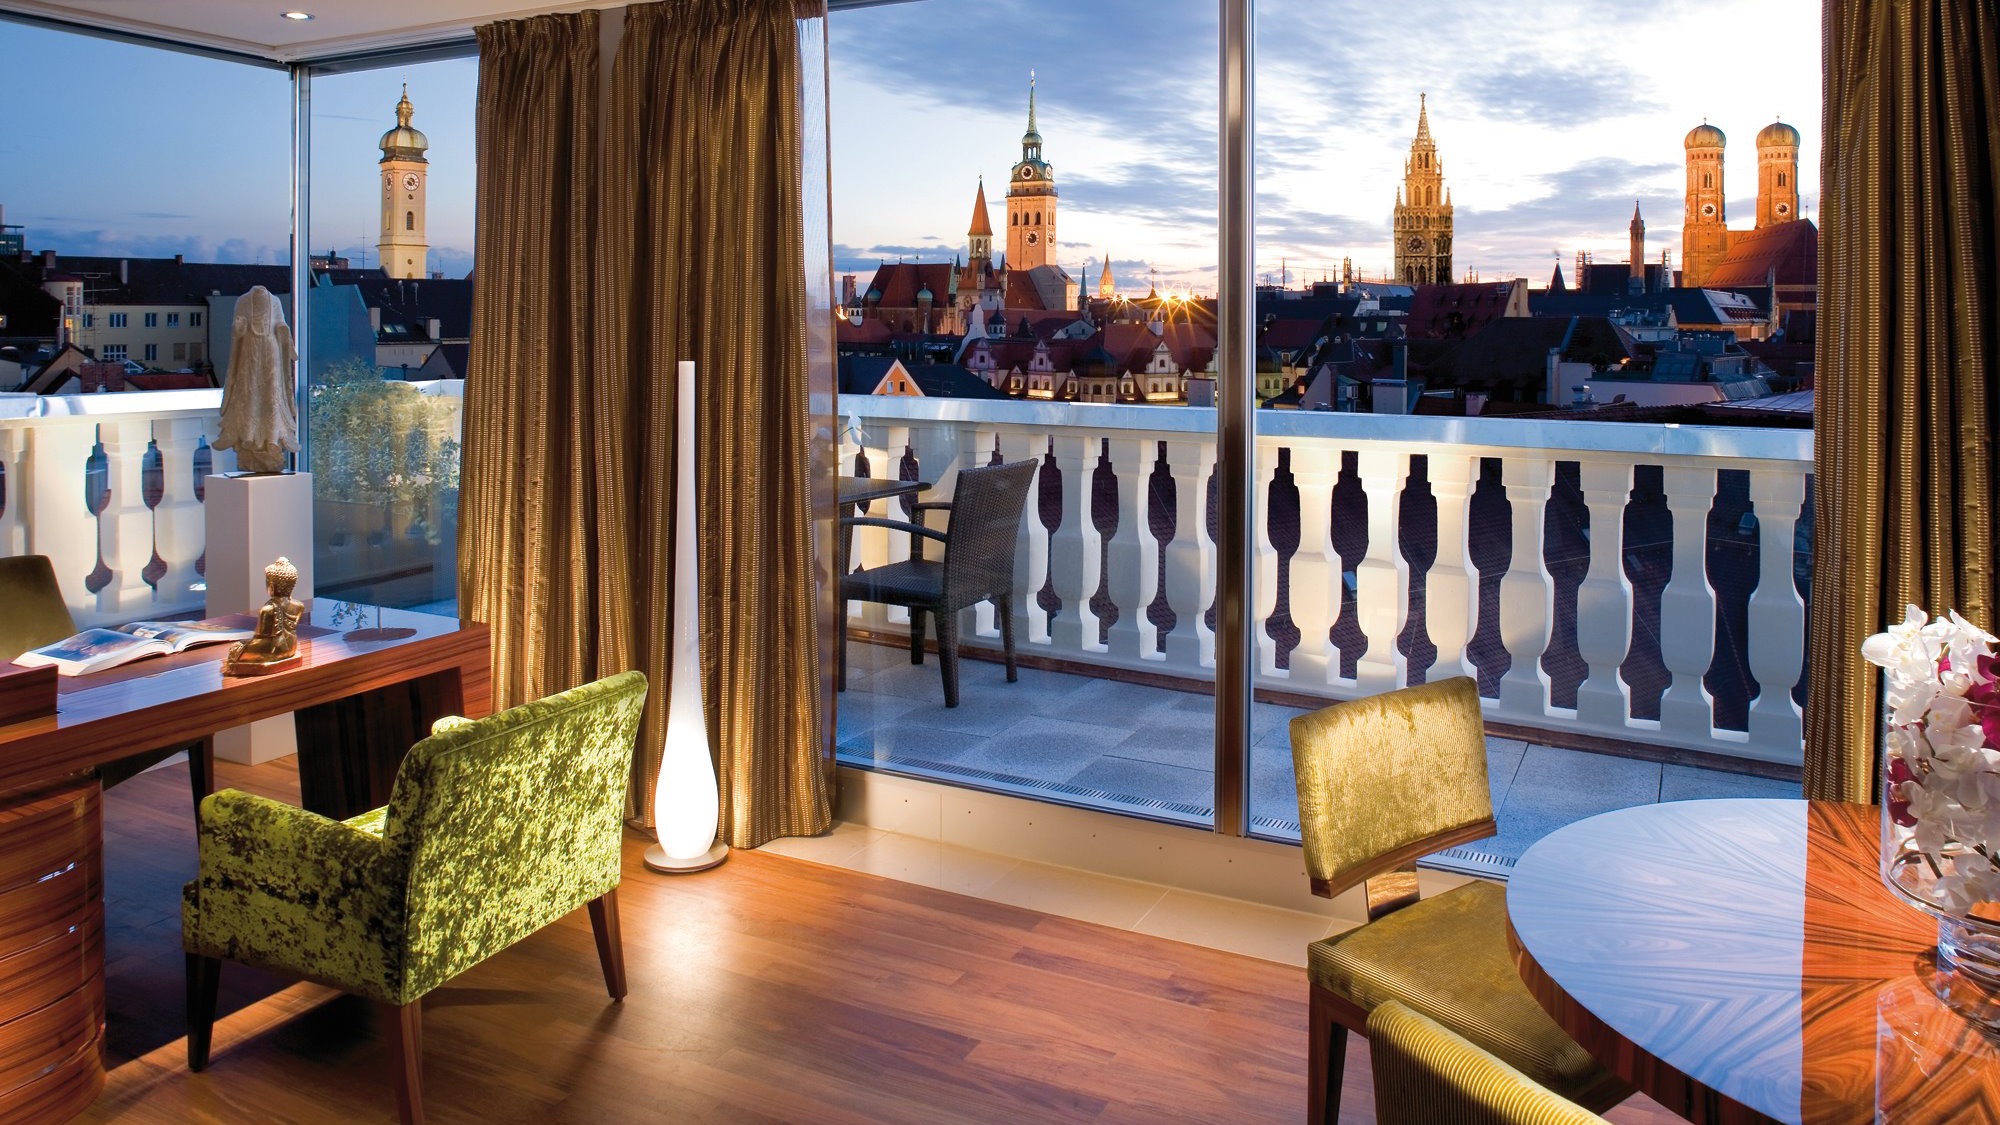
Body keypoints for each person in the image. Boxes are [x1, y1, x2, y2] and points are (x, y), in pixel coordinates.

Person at [215, 285, 298, 474]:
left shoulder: (274, 301)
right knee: (249, 393)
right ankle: (249, 435)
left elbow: (280, 323)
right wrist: (239, 328)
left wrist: (282, 330)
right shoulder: (243, 300)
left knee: (271, 394)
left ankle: (271, 439)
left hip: (270, 349)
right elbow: (236, 331)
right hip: (250, 350)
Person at [225, 557, 305, 672]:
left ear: (272, 586)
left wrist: (243, 644)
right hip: (292, 647)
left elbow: (260, 639)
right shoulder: (299, 606)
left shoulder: (268, 610)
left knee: (236, 649)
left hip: (272, 650)